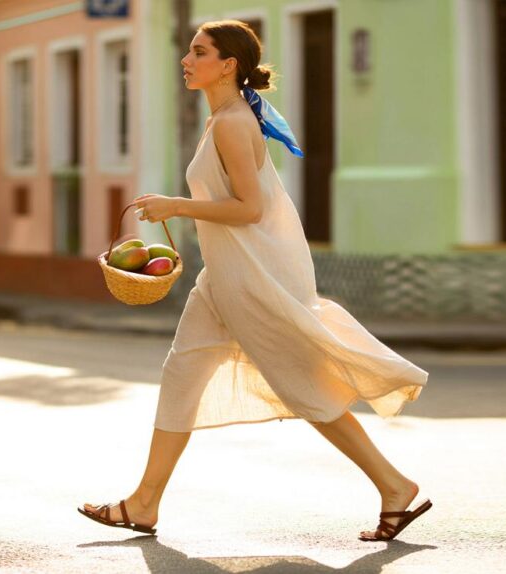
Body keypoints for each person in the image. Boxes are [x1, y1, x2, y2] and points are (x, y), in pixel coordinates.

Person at [79, 20, 431, 542]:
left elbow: (249, 208)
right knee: (182, 376)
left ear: (228, 65)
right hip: (224, 274)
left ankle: (395, 486)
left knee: (304, 386)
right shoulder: (222, 116)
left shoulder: (232, 122)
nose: (186, 59)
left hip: (253, 274)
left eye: (198, 52)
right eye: (188, 51)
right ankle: (144, 502)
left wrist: (175, 205)